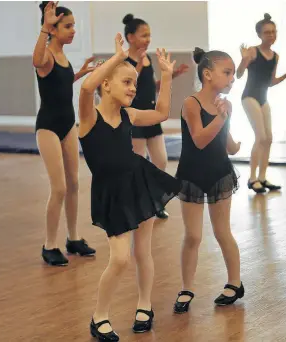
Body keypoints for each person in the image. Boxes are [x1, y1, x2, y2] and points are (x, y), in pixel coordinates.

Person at [78, 33, 181, 341]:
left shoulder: (130, 114)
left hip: (140, 181)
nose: (133, 88)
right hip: (112, 193)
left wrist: (166, 76)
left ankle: (144, 305)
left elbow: (161, 113)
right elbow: (85, 87)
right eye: (126, 81)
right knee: (120, 257)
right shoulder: (87, 117)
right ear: (106, 85)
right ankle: (99, 317)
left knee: (142, 251)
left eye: (135, 83)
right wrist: (118, 58)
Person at [172, 47, 244, 314]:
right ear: (207, 74)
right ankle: (186, 288)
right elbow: (200, 140)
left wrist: (235, 144)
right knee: (192, 235)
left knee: (222, 231)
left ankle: (235, 283)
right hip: (192, 174)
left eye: (234, 74)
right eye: (227, 73)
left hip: (219, 173)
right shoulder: (191, 103)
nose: (232, 78)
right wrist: (222, 117)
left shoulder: (226, 104)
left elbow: (226, 143)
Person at [33, 1, 97, 266]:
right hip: (48, 127)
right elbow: (37, 61)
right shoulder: (46, 54)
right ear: (53, 28)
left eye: (73, 26)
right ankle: (49, 245)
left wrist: (80, 73)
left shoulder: (62, 56)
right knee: (58, 187)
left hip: (68, 125)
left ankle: (73, 238)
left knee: (74, 184)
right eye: (68, 26)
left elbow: (59, 83)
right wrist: (44, 30)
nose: (73, 31)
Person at [122, 13, 189, 219]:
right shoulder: (124, 60)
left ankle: (153, 199)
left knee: (160, 161)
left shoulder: (147, 58)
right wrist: (139, 63)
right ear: (131, 37)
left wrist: (172, 75)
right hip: (135, 117)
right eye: (143, 35)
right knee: (138, 163)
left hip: (152, 115)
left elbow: (151, 86)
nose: (148, 39)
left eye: (149, 35)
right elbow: (129, 84)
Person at [237, 13, 286, 194]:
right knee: (260, 137)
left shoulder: (275, 56)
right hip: (249, 97)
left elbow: (271, 82)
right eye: (267, 33)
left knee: (269, 138)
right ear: (259, 34)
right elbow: (239, 74)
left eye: (274, 32)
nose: (271, 35)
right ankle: (252, 178)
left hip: (263, 98)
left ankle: (263, 177)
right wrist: (244, 60)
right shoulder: (252, 51)